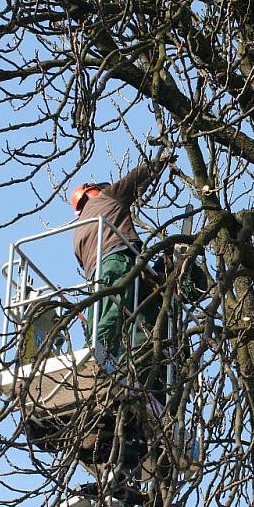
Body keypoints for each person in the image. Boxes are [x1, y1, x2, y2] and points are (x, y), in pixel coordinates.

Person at [71, 154, 172, 360]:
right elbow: (134, 181)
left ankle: (92, 350)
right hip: (118, 261)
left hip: (95, 274)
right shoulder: (106, 196)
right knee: (116, 309)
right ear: (93, 192)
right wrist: (159, 162)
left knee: (98, 312)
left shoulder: (77, 232)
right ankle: (101, 353)